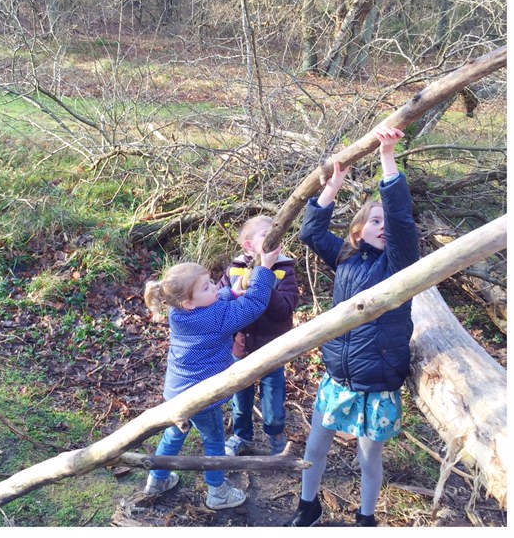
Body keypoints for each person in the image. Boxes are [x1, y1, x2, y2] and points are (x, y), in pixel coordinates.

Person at [286, 126, 419, 527]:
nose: (383, 225)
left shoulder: (398, 265)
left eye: (385, 222)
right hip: (338, 377)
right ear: (358, 231)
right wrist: (333, 186)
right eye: (373, 220)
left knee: (368, 457)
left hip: (376, 382)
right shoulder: (346, 257)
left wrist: (387, 157)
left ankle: (365, 518)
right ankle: (308, 506)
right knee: (316, 444)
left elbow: (401, 219)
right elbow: (310, 232)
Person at [142, 245, 281, 510]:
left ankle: (156, 480)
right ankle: (218, 493)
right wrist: (264, 269)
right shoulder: (215, 317)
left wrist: (231, 291)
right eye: (206, 287)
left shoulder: (178, 312)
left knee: (174, 434)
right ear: (189, 302)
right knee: (214, 441)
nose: (214, 288)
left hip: (177, 391)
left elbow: (213, 307)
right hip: (203, 396)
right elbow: (252, 306)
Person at [218, 215, 300, 456]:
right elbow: (221, 298)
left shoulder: (285, 269)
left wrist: (263, 280)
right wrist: (235, 291)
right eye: (265, 235)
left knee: (273, 400)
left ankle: (275, 435)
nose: (274, 238)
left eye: (276, 233)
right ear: (249, 246)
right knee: (240, 399)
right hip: (240, 347)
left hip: (271, 348)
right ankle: (241, 435)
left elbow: (285, 308)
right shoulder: (234, 268)